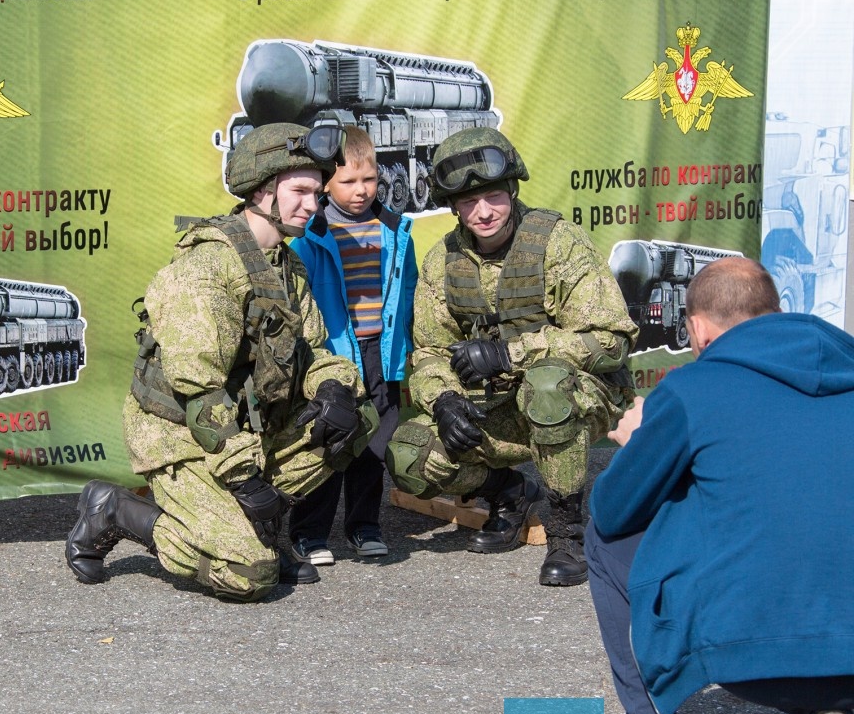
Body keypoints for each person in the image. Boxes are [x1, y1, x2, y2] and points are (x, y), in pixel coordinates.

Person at [65, 122, 379, 602]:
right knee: (247, 573)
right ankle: (115, 511)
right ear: (261, 191)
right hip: (184, 435)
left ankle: (255, 524)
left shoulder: (283, 264)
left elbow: (312, 350)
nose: (313, 205)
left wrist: (333, 385)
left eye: (317, 192)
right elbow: (200, 393)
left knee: (354, 416)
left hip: (246, 426)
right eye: (300, 191)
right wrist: (245, 478)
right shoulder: (207, 267)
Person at [587, 257, 854, 714]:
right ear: (777, 313)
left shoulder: (692, 390)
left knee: (605, 533)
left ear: (698, 329)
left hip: (750, 657)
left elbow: (615, 510)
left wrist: (638, 442)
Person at [385, 127, 638, 586]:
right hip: (496, 407)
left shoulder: (557, 243)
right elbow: (429, 351)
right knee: (409, 457)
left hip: (577, 398)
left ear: (512, 189)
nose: (482, 212)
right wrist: (442, 400)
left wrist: (509, 353)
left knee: (546, 387)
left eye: (493, 197)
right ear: (452, 207)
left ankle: (568, 533)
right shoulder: (443, 261)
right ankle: (510, 493)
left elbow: (610, 339)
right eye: (467, 202)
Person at [287, 125, 417, 565]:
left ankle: (364, 527)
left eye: (369, 179)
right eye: (348, 181)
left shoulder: (397, 232)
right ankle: (308, 533)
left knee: (372, 448)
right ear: (327, 182)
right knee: (328, 441)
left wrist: (406, 352)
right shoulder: (310, 238)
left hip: (381, 354)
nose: (361, 190)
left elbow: (409, 294)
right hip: (334, 356)